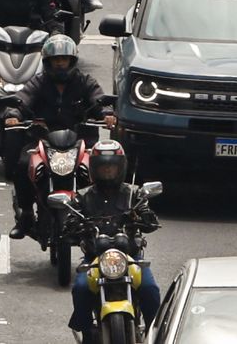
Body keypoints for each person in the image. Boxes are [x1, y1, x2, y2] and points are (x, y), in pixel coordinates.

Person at [3, 35, 116, 238]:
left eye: (64, 59)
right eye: (56, 60)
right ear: (48, 62)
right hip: (43, 141)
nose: (60, 64)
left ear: (72, 61)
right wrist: (14, 115)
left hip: (80, 142)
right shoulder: (38, 82)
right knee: (23, 165)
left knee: (103, 166)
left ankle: (102, 216)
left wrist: (107, 114)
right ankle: (26, 215)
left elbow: (98, 98)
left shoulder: (85, 81)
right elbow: (23, 99)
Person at [64, 140, 161, 340]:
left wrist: (143, 216)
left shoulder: (134, 193)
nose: (108, 171)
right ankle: (87, 332)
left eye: (112, 167)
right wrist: (74, 225)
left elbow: (150, 221)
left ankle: (157, 333)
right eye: (103, 167)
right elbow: (70, 223)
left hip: (130, 258)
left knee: (149, 288)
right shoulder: (83, 196)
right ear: (94, 169)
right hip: (95, 259)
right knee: (81, 288)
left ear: (121, 167)